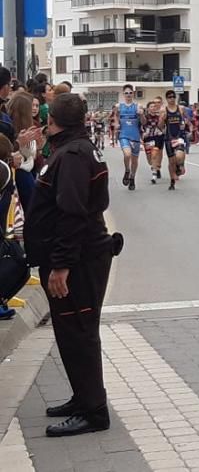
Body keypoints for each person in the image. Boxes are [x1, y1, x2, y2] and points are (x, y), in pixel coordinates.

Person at [24, 93, 117, 437]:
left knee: (79, 333)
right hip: (75, 256)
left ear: (53, 121)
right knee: (71, 332)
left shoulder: (74, 155)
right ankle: (82, 397)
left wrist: (61, 265)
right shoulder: (71, 148)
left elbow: (72, 214)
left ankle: (94, 411)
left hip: (78, 260)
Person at [112, 84, 144, 191]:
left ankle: (132, 178)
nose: (129, 94)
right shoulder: (118, 106)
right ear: (123, 94)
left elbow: (144, 122)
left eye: (130, 93)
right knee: (127, 154)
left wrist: (142, 115)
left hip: (135, 135)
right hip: (124, 135)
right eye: (126, 93)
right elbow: (115, 116)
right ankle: (127, 170)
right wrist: (117, 123)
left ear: (133, 94)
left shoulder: (138, 106)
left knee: (134, 160)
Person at [161, 91, 187, 191]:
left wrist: (186, 124)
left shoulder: (180, 109)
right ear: (167, 99)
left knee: (179, 155)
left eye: (173, 97)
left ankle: (180, 164)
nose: (172, 99)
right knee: (171, 161)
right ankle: (172, 181)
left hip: (179, 137)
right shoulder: (164, 110)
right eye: (169, 97)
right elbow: (160, 126)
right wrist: (162, 120)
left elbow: (185, 120)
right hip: (169, 138)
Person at [142, 99, 165, 185]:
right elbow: (141, 125)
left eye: (154, 106)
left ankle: (154, 175)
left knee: (155, 155)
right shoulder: (144, 117)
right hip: (148, 138)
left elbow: (162, 126)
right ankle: (155, 167)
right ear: (148, 108)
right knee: (150, 159)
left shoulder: (159, 116)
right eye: (151, 106)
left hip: (157, 137)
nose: (153, 108)